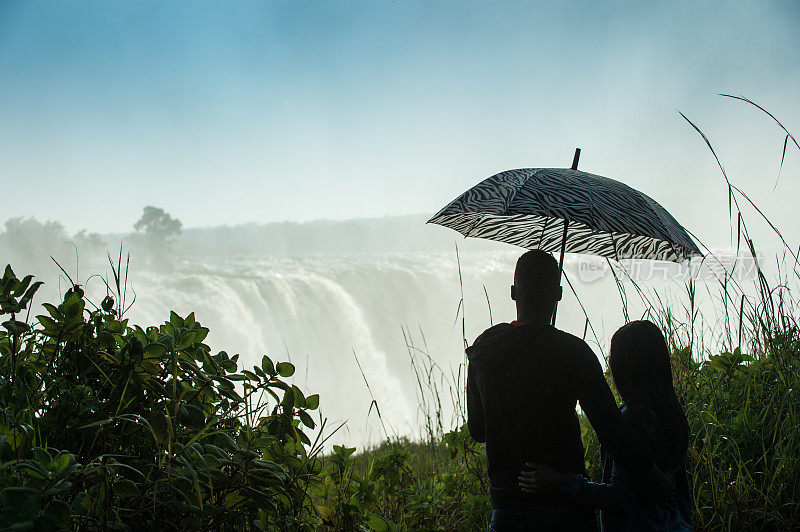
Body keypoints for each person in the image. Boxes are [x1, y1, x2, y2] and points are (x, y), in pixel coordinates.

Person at [466, 250, 674, 531]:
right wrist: (657, 478)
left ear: (514, 293)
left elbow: (479, 430)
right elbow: (613, 432)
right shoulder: (574, 352)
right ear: (559, 295)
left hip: (506, 511)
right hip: (564, 512)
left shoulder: (484, 350)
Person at [518, 320, 693, 531]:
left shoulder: (630, 420)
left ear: (623, 366)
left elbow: (619, 497)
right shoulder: (672, 415)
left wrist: (561, 481)